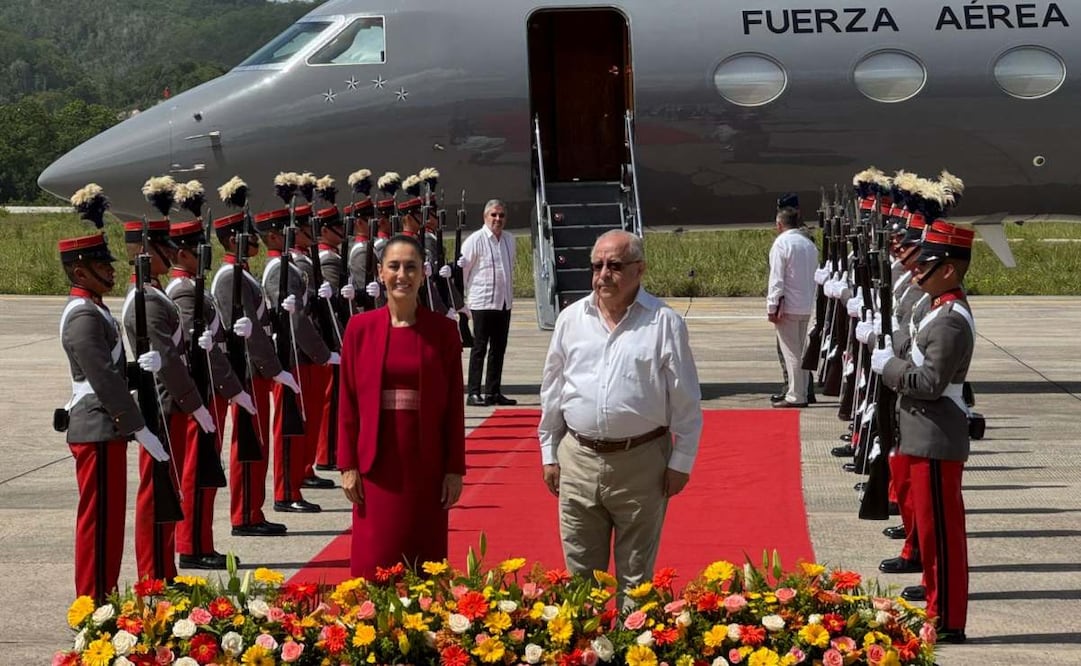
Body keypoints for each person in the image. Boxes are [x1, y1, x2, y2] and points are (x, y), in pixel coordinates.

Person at [538, 229, 702, 604]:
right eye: (597, 266)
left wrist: (682, 462)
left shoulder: (664, 323)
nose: (603, 275)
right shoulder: (570, 320)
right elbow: (553, 392)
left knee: (636, 577)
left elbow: (686, 401)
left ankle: (630, 651)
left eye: (614, 265)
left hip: (642, 463)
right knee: (580, 576)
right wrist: (548, 452)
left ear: (639, 270)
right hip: (577, 460)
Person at [871, 220, 976, 644]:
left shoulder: (950, 320)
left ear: (948, 270)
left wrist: (890, 368)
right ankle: (938, 603)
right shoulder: (937, 309)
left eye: (927, 266)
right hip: (923, 434)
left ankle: (949, 617)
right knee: (932, 535)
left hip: (936, 436)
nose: (916, 271)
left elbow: (929, 383)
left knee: (943, 536)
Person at [337, 235, 466, 578]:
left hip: (426, 467)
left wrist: (455, 468)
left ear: (423, 274)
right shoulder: (359, 329)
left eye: (410, 267)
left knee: (424, 564)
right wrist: (347, 464)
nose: (402, 275)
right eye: (394, 266)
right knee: (373, 562)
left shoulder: (444, 332)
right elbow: (347, 403)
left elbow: (454, 406)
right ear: (380, 273)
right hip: (376, 468)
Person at [57, 231, 168, 602]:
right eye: (100, 264)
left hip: (106, 426)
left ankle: (104, 594)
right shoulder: (83, 316)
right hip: (98, 426)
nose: (109, 270)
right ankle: (93, 601)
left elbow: (112, 371)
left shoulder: (96, 308)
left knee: (109, 522)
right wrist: (137, 426)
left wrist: (139, 369)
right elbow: (101, 378)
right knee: (99, 522)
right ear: (79, 271)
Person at [211, 211, 294, 537]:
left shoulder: (242, 273)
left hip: (254, 369)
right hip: (247, 369)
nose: (256, 239)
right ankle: (245, 514)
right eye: (248, 234)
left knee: (256, 444)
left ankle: (252, 510)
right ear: (234, 239)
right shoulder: (231, 276)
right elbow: (250, 331)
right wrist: (274, 369)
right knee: (248, 444)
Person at [255, 205, 336, 514]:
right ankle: (285, 491)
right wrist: (323, 352)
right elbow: (292, 321)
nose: (308, 236)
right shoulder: (279, 269)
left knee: (305, 422)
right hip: (292, 356)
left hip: (304, 354)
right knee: (290, 426)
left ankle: (299, 476)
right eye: (302, 230)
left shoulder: (293, 266)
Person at [458, 199, 516, 406]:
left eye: (501, 215)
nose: (497, 219)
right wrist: (462, 303)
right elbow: (463, 272)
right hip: (482, 302)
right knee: (479, 348)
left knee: (498, 348)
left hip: (503, 303)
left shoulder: (510, 240)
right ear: (485, 217)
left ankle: (493, 391)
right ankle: (474, 392)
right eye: (494, 215)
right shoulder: (475, 240)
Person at [766, 206, 818, 408]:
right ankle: (803, 391)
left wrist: (772, 305)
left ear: (780, 224)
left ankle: (796, 395)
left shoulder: (782, 244)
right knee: (801, 352)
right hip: (806, 305)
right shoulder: (808, 244)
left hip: (788, 306)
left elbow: (776, 279)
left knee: (791, 353)